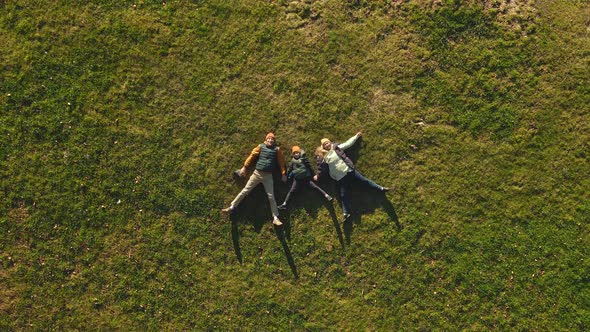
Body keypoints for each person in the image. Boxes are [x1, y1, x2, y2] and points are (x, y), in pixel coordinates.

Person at [314, 131, 389, 221]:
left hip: (349, 170)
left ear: (330, 142)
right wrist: (318, 176)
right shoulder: (324, 157)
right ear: (323, 147)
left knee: (364, 181)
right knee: (343, 194)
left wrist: (356, 136)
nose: (327, 145)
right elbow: (322, 169)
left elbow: (348, 144)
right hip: (340, 177)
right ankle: (346, 213)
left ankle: (380, 188)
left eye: (327, 143)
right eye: (324, 145)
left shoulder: (336, 148)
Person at [222, 132, 287, 226]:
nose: (270, 140)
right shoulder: (261, 146)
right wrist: (245, 167)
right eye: (269, 139)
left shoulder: (277, 149)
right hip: (257, 173)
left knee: (271, 196)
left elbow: (281, 162)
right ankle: (232, 207)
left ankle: (275, 218)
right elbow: (252, 156)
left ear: (274, 141)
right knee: (245, 190)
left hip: (268, 176)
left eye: (272, 139)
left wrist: (283, 174)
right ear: (266, 139)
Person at [277, 145, 332, 210]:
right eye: (294, 153)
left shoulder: (304, 159)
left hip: (306, 178)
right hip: (297, 180)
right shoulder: (292, 161)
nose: (296, 154)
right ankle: (284, 204)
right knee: (291, 191)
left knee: (315, 187)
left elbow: (310, 167)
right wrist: (286, 176)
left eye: (297, 153)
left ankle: (326, 195)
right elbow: (289, 169)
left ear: (300, 153)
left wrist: (314, 175)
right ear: (293, 154)